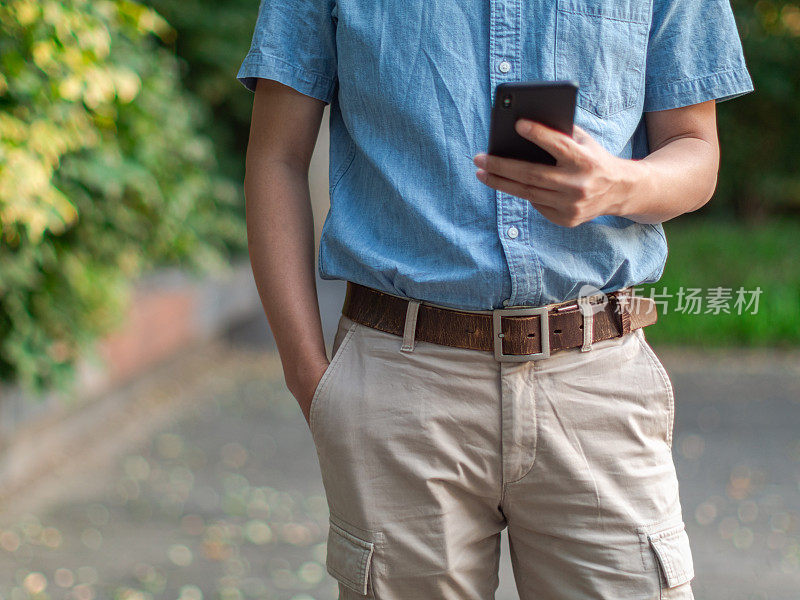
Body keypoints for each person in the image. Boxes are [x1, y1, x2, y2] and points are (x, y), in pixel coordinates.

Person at [237, 1, 753, 597]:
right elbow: (276, 157)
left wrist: (617, 185)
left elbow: (696, 150)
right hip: (401, 389)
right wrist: (310, 379)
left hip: (598, 385)